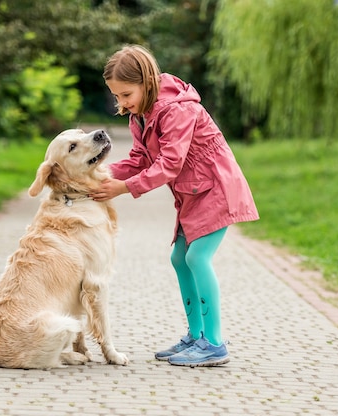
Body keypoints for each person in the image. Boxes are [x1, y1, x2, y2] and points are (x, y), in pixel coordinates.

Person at [90, 44, 259, 367]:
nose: (122, 103)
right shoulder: (140, 117)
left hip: (217, 190)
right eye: (117, 97)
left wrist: (124, 188)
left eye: (126, 94)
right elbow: (140, 159)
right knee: (179, 258)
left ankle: (214, 342)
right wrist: (97, 175)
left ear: (147, 82)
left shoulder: (177, 110)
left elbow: (169, 163)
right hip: (192, 193)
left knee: (197, 256)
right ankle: (196, 336)